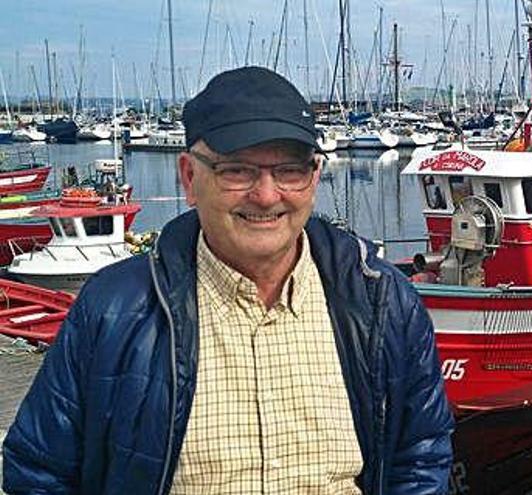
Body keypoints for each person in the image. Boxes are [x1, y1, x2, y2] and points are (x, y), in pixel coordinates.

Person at [3, 66, 454, 494]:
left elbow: (420, 452)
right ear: (189, 177)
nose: (266, 195)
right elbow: (38, 470)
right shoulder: (114, 309)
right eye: (236, 170)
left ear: (315, 177)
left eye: (289, 170)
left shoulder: (381, 300)